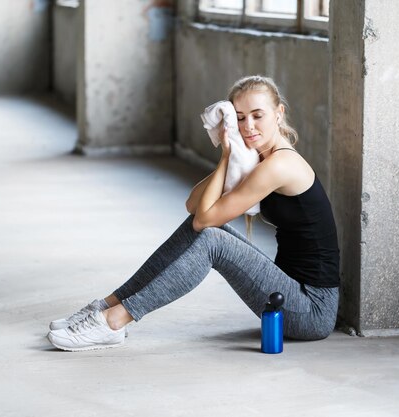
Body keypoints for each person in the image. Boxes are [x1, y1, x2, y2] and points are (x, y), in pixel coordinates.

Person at [47, 75, 340, 352]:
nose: (248, 125)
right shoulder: (259, 160)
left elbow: (205, 219)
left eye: (257, 115)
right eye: (239, 117)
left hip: (311, 308)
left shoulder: (280, 165)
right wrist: (226, 157)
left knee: (213, 239)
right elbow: (194, 207)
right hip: (287, 289)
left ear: (278, 113)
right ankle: (106, 307)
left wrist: (227, 156)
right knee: (201, 229)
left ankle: (116, 321)